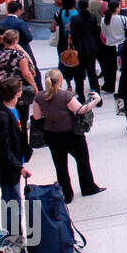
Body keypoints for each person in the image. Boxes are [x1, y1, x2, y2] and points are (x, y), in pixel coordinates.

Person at [31, 69, 103, 204]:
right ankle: (88, 187)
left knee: (60, 165)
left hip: (51, 134)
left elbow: (37, 117)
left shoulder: (39, 97)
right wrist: (96, 100)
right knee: (82, 160)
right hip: (71, 133)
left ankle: (67, 193)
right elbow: (81, 110)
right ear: (60, 80)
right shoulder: (65, 96)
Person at [0, 80, 31, 233]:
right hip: (7, 169)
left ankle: (13, 236)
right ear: (16, 93)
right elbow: (2, 149)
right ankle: (14, 239)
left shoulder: (9, 110)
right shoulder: (1, 117)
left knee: (11, 202)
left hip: (11, 165)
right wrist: (20, 167)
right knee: (13, 205)